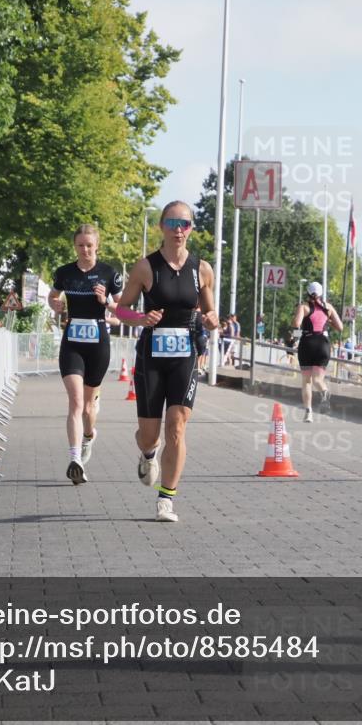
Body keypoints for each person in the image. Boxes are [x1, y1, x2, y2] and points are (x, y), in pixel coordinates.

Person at [114, 201, 218, 522]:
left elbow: (210, 309)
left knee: (177, 426)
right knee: (150, 434)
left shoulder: (202, 269)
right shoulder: (146, 267)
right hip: (151, 356)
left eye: (185, 224)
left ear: (191, 229)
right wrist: (141, 317)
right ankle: (148, 453)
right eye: (172, 222)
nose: (178, 229)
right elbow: (121, 310)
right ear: (162, 226)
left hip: (185, 353)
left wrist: (213, 318)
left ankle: (166, 499)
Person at [48, 223, 123, 485]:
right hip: (73, 343)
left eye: (89, 245)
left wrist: (106, 302)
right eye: (80, 245)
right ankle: (75, 459)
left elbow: (121, 308)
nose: (85, 250)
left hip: (98, 343)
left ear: (97, 246)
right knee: (76, 403)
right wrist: (55, 305)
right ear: (75, 246)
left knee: (89, 407)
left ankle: (89, 435)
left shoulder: (108, 273)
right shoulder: (65, 273)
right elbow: (53, 296)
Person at [293, 281, 342, 422]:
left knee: (307, 381)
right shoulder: (328, 307)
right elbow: (340, 327)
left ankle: (308, 413)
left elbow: (297, 324)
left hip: (308, 343)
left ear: (308, 293)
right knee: (318, 380)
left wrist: (295, 319)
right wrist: (328, 321)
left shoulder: (304, 306)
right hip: (323, 344)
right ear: (321, 293)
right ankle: (324, 392)